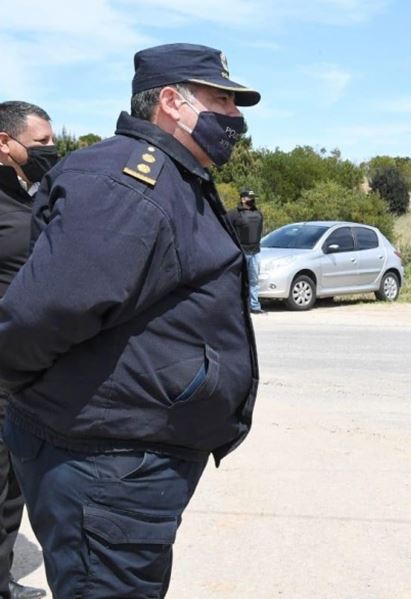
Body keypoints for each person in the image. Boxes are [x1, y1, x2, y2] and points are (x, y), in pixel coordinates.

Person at [0, 43, 261, 597]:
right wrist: (18, 386)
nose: (235, 118)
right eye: (223, 100)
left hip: (124, 462)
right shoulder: (129, 185)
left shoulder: (170, 174)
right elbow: (43, 313)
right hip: (105, 466)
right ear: (172, 101)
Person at [0, 101, 54, 599]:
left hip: (27, 365)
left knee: (11, 483)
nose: (50, 151)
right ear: (4, 143)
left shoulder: (35, 195)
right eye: (40, 144)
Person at [228, 188, 265, 314]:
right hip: (240, 252)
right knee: (238, 281)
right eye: (250, 198)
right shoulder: (233, 214)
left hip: (255, 252)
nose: (252, 200)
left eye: (253, 198)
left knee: (254, 281)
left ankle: (254, 306)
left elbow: (259, 231)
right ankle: (237, 307)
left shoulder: (258, 213)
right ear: (242, 199)